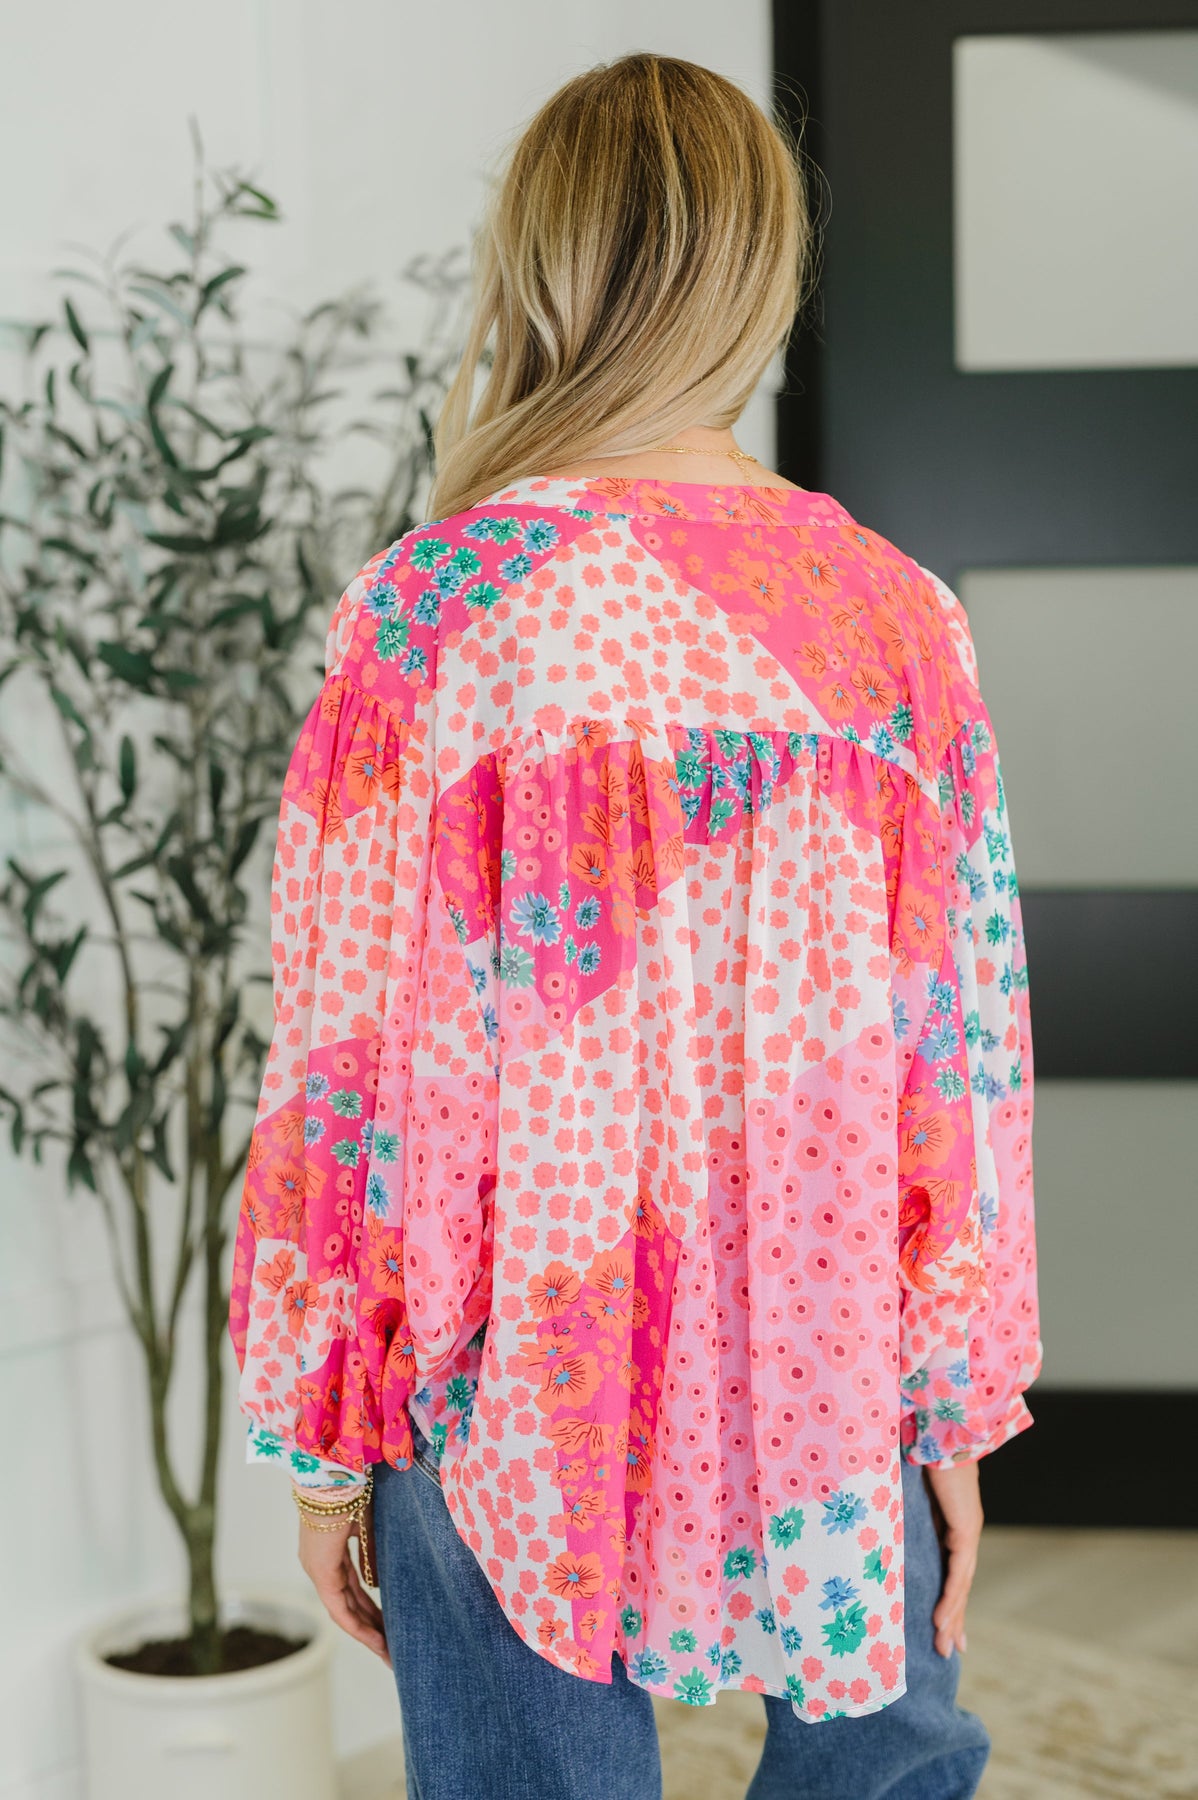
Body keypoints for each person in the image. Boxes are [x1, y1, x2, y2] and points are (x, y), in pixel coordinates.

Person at [227, 51, 1041, 1800]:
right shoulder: (896, 616)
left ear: (537, 267)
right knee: (884, 1767)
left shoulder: (434, 613)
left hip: (501, 1362)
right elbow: (957, 1057)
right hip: (829, 1357)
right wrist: (952, 1401)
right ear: (762, 276)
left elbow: (343, 1064)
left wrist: (323, 1444)